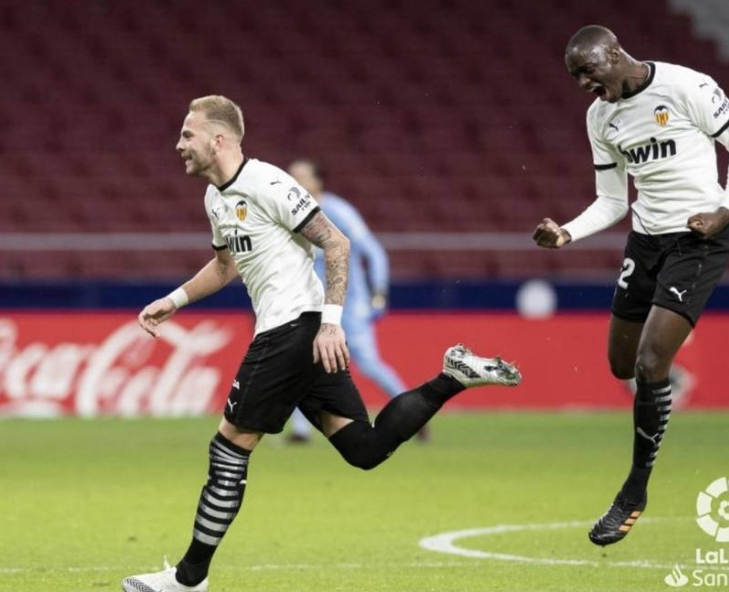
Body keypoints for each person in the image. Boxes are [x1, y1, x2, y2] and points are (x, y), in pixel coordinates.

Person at [122, 95, 521, 592]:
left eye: (187, 134)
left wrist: (332, 323)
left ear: (218, 140)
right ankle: (451, 377)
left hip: (291, 329)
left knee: (229, 448)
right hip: (302, 335)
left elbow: (337, 242)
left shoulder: (266, 182)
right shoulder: (215, 198)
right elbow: (226, 266)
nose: (178, 144)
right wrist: (174, 300)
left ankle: (188, 580)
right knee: (363, 448)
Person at [533, 25, 729, 547]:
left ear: (614, 54)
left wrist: (724, 212)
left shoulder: (686, 87)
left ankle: (633, 492)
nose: (583, 84)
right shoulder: (600, 116)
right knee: (621, 365)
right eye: (576, 77)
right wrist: (566, 233)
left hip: (699, 239)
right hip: (645, 242)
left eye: (588, 72)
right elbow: (613, 200)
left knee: (647, 364)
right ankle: (662, 382)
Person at [285, 159, 419, 443]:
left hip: (349, 303)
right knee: (301, 361)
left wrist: (378, 291)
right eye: (291, 175)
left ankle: (415, 414)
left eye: (301, 176)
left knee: (368, 364)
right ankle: (300, 431)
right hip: (311, 304)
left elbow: (373, 251)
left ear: (318, 182)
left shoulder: (339, 211)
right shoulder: (289, 213)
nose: (294, 180)